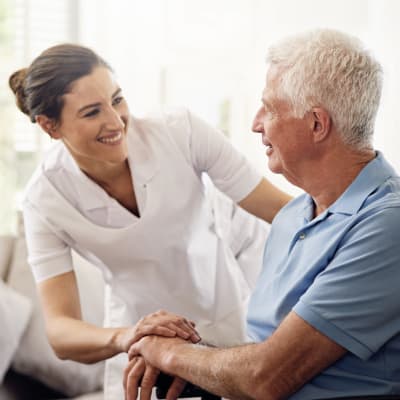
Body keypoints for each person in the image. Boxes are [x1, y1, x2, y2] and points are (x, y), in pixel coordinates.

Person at [125, 28, 400, 400]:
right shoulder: (291, 218)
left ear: (317, 124)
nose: (256, 123)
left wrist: (168, 351)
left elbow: (267, 376)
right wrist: (178, 349)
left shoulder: (387, 225)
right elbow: (265, 351)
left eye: (269, 108)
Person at [8, 44, 290, 399]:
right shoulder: (44, 199)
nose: (115, 121)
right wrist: (128, 335)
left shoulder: (178, 131)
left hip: (227, 316)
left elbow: (283, 212)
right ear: (50, 126)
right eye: (93, 112)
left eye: (117, 99)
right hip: (144, 348)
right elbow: (61, 332)